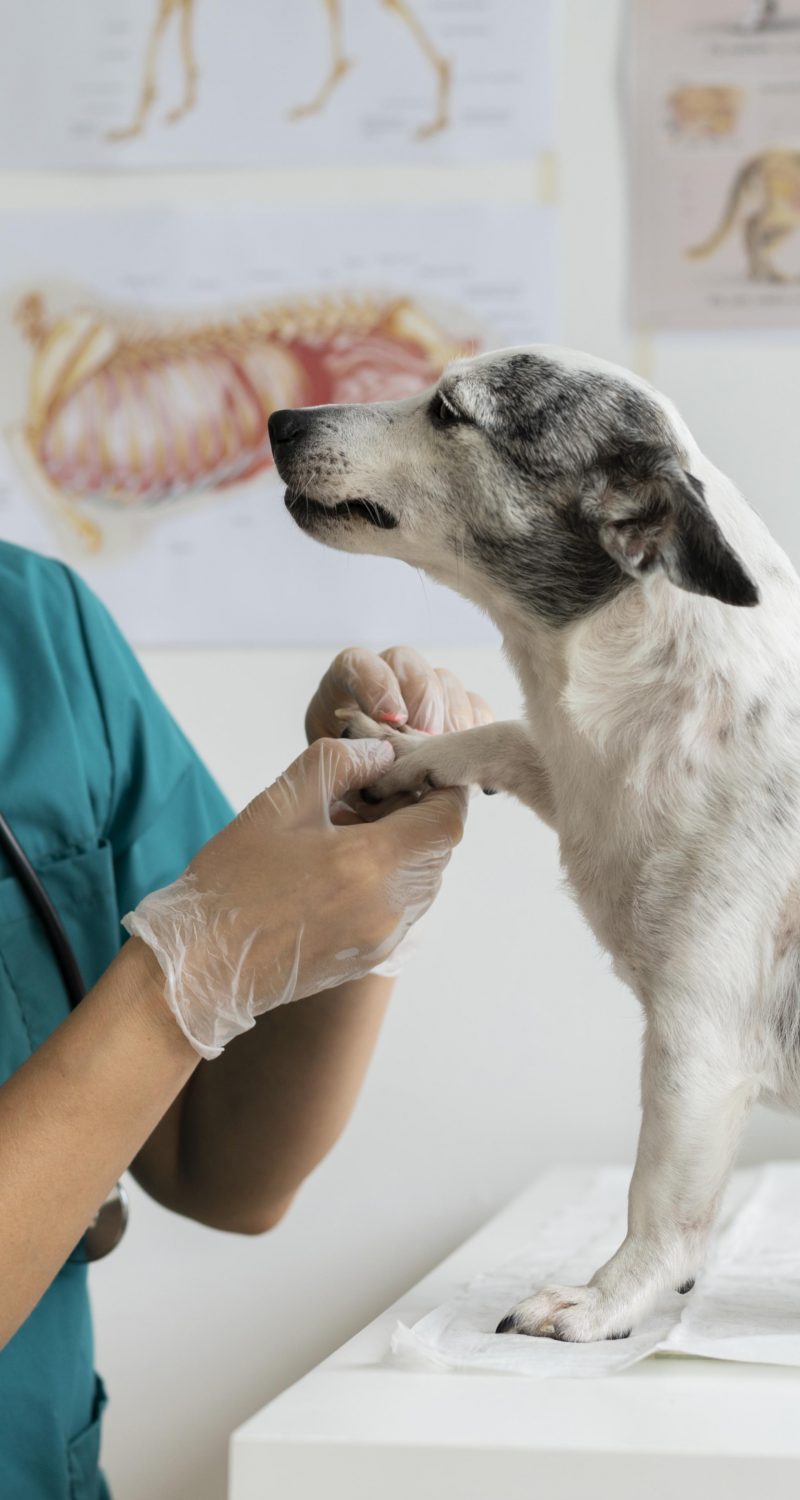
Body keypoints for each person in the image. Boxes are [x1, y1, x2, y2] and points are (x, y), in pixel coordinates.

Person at [0, 539, 490, 1499]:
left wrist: (356, 858)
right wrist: (189, 970)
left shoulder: (37, 629)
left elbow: (221, 1169)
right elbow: (187, 983)